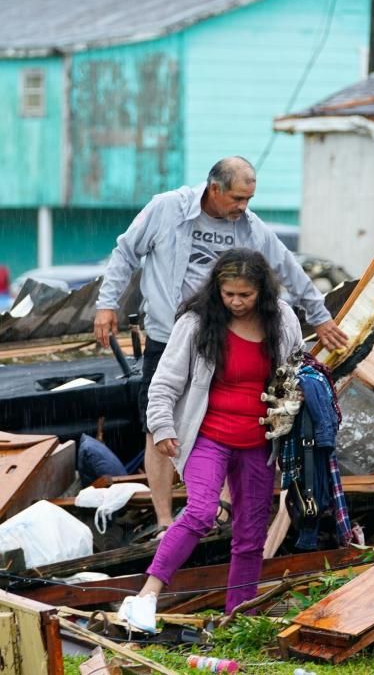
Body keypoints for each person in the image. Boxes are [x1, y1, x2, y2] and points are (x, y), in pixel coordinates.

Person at [93, 157, 347, 535]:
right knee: (157, 421)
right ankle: (165, 519)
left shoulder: (249, 227)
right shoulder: (168, 209)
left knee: (219, 422)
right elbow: (126, 251)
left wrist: (319, 314)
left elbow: (286, 267)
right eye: (238, 198)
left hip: (222, 336)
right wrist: (106, 304)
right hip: (169, 335)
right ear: (215, 189)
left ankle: (219, 511)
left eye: (249, 199)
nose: (244, 207)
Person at [117, 249, 303, 631]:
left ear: (261, 292)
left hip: (259, 442)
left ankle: (240, 618)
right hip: (208, 436)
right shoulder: (197, 321)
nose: (235, 302)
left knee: (251, 534)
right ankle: (145, 596)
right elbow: (164, 383)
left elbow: (297, 375)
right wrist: (164, 427)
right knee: (202, 511)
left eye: (244, 295)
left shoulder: (282, 319)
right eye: (228, 293)